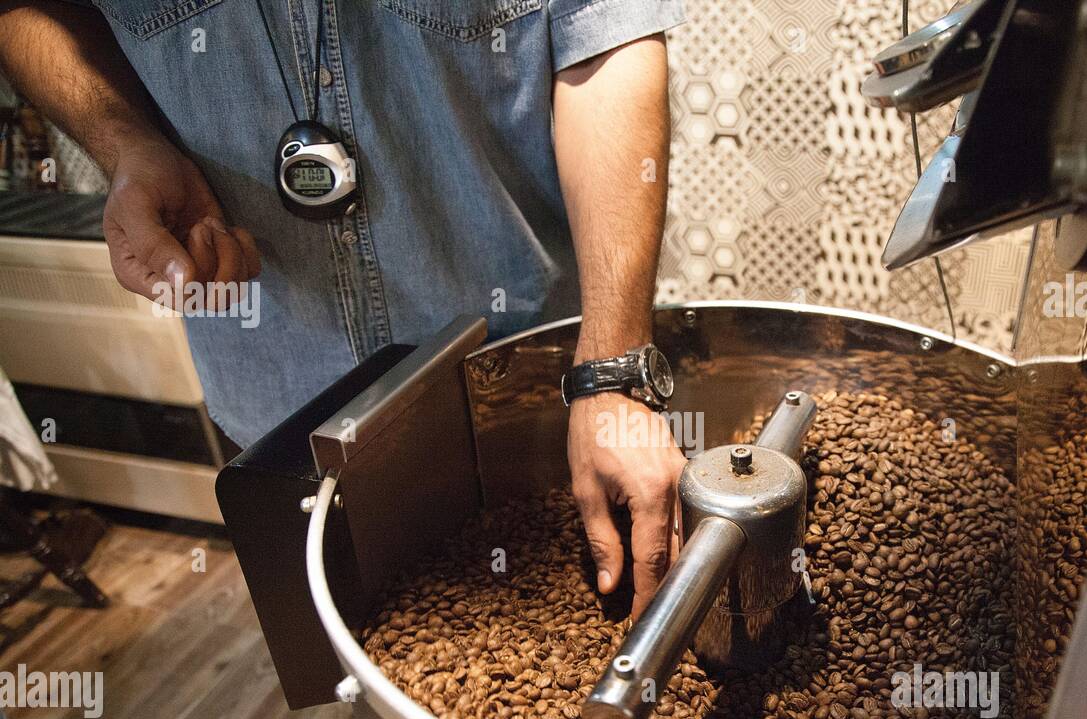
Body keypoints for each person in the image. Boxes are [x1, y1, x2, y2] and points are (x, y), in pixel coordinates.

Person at [0, 0, 688, 621]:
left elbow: (604, 36)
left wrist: (610, 370)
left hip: (531, 389)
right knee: (359, 678)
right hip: (277, 394)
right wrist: (125, 139)